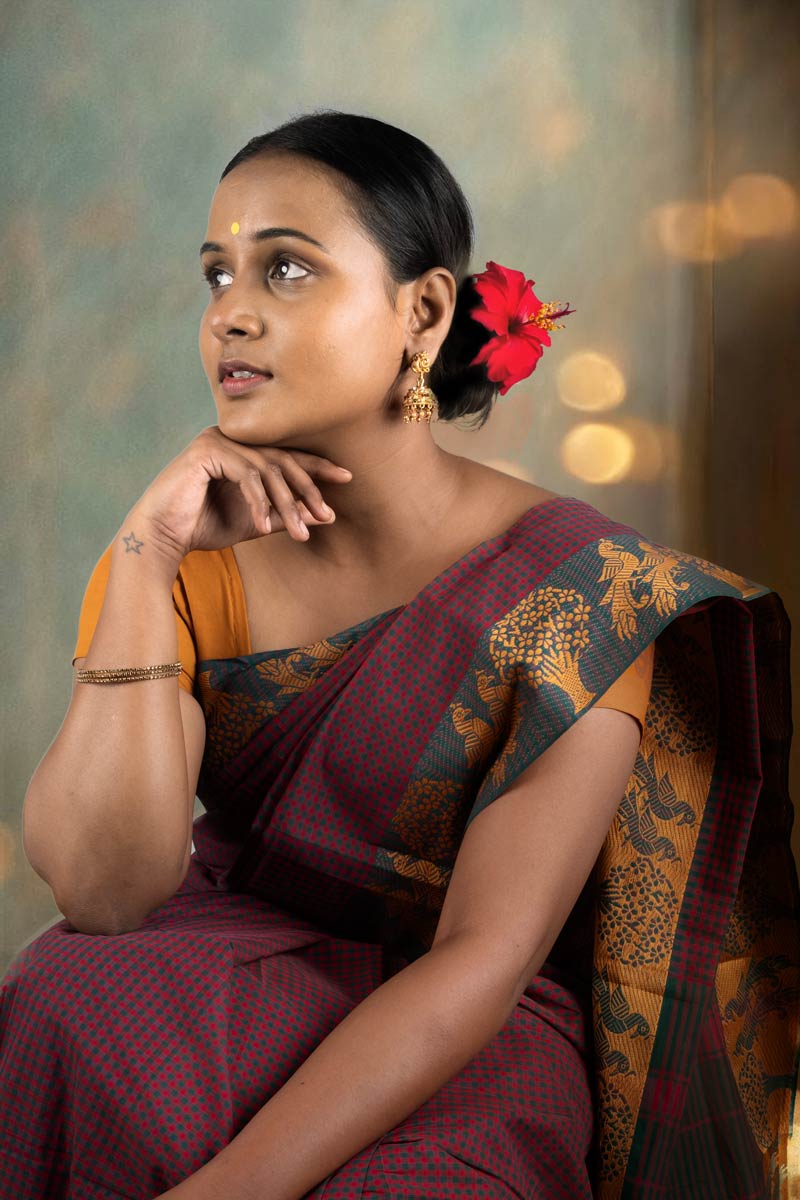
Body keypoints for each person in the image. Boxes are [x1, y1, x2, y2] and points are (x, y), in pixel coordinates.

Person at [1, 110, 797, 1200]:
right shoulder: (187, 552)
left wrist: (236, 1188)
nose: (229, 313)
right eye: (214, 275)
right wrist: (140, 561)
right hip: (224, 964)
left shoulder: (578, 593)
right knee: (65, 996)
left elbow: (481, 960)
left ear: (420, 312)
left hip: (462, 1031)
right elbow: (105, 889)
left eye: (284, 269)